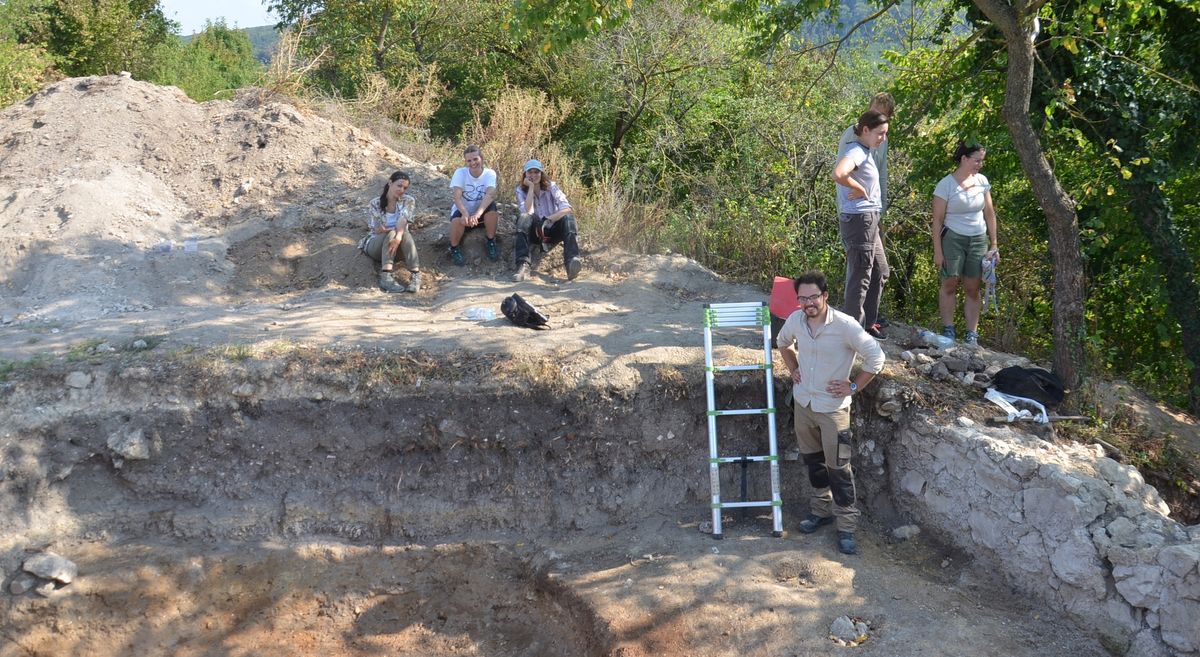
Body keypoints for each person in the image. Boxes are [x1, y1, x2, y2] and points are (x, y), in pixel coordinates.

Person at [775, 271, 885, 555]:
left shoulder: (846, 326)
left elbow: (877, 358)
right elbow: (782, 343)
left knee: (839, 469)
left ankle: (846, 526)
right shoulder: (796, 320)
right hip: (804, 405)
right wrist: (793, 368)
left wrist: (852, 386)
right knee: (814, 463)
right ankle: (820, 510)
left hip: (833, 411)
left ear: (825, 296)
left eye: (813, 297)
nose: (808, 303)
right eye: (803, 298)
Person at [931, 141, 999, 346]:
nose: (980, 164)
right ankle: (948, 329)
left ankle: (971, 334)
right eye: (977, 160)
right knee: (950, 282)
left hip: (978, 238)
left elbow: (989, 213)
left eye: (982, 161)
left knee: (972, 286)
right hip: (953, 238)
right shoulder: (946, 184)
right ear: (964, 159)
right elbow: (937, 219)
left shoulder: (982, 181)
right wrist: (938, 251)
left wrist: (994, 244)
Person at [833, 110, 891, 341]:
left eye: (885, 134)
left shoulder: (866, 150)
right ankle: (852, 332)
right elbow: (839, 173)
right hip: (859, 220)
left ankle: (867, 325)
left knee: (880, 270)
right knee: (861, 274)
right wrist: (857, 188)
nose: (882, 139)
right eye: (879, 133)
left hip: (869, 220)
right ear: (865, 130)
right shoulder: (856, 150)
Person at [512, 159, 582, 282]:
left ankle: (572, 262)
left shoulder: (552, 187)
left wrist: (548, 219)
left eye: (536, 172)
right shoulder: (520, 190)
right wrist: (531, 188)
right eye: (530, 172)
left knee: (568, 218)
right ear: (525, 175)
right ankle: (522, 265)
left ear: (541, 173)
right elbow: (528, 211)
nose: (533, 175)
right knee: (523, 218)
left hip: (553, 229)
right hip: (535, 231)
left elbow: (567, 208)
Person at [360, 171, 421, 293]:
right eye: (399, 185)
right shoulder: (375, 203)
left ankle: (415, 276)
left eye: (405, 188)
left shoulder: (408, 201)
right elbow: (375, 229)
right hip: (376, 245)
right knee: (392, 233)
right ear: (390, 183)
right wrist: (385, 230)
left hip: (398, 246)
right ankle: (386, 275)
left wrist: (398, 237)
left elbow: (403, 220)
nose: (402, 190)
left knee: (403, 233)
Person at [448, 144, 500, 266]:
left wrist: (477, 214)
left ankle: (491, 241)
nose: (472, 163)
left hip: (480, 212)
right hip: (464, 209)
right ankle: (454, 248)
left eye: (475, 159)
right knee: (456, 221)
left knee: (492, 211)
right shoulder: (460, 173)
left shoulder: (490, 173)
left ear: (481, 158)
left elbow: (490, 194)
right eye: (469, 160)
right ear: (465, 162)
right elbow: (457, 197)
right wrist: (465, 213)